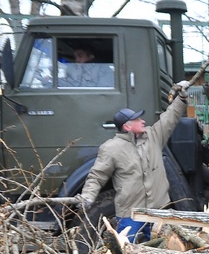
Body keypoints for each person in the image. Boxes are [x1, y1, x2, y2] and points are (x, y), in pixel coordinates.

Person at [79, 81, 191, 243]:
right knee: (126, 248)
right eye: (138, 120)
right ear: (128, 127)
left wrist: (181, 98)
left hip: (157, 210)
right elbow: (97, 176)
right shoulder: (111, 148)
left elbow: (170, 117)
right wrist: (87, 197)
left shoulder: (153, 136)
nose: (143, 121)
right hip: (130, 213)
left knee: (159, 249)